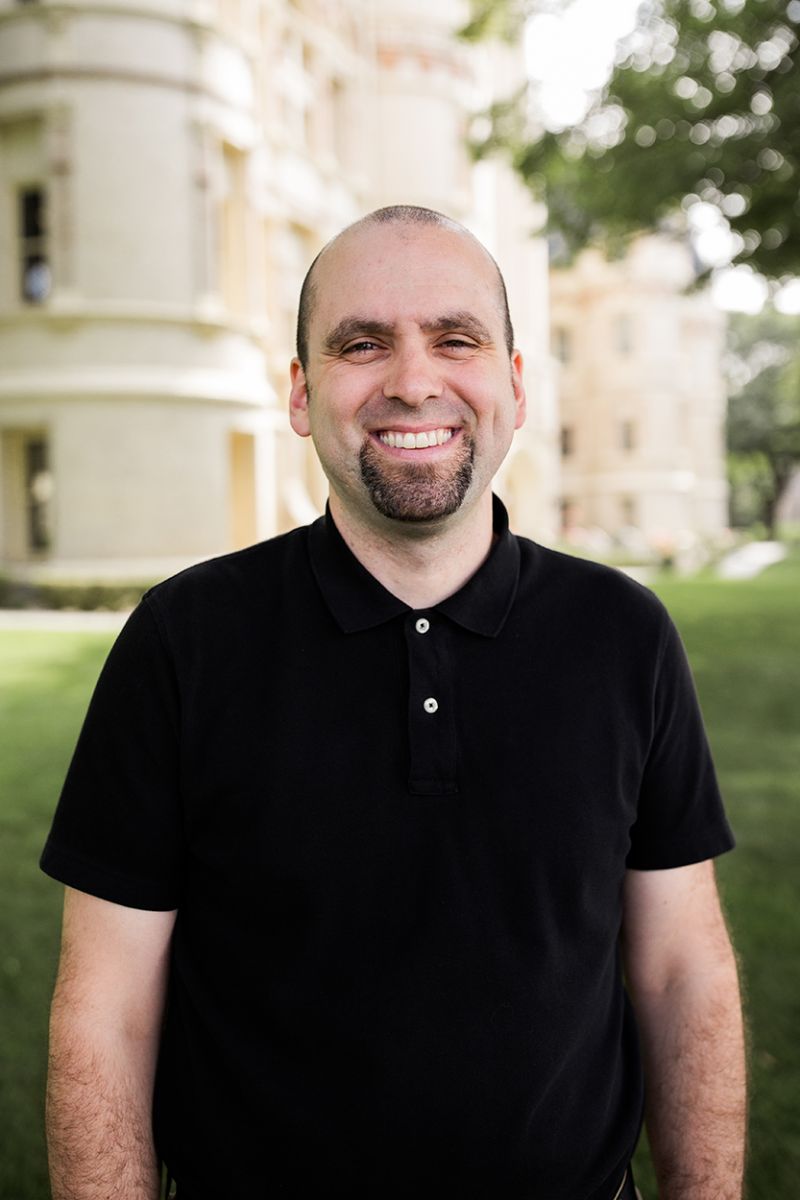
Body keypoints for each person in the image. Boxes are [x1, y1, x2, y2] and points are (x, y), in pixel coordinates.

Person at [42, 205, 746, 1200]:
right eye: (361, 344)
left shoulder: (622, 636)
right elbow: (105, 1014)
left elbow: (682, 975)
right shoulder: (182, 641)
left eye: (454, 339)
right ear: (300, 394)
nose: (413, 381)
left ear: (511, 383)